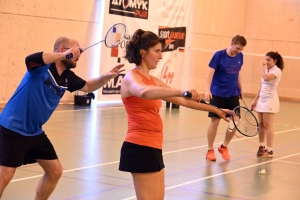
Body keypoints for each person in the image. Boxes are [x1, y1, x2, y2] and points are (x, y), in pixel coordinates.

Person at [0, 36, 124, 199]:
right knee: (5, 174)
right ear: (61, 50)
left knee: (55, 171)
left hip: (34, 132)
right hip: (13, 127)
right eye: (76, 50)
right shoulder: (39, 67)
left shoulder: (67, 77)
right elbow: (30, 58)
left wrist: (106, 77)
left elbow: (88, 86)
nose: (79, 55)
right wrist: (64, 55)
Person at [118, 29, 230, 200]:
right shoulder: (131, 78)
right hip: (140, 147)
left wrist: (216, 110)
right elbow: (143, 92)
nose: (161, 56)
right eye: (156, 51)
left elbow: (184, 101)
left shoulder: (154, 81)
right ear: (142, 52)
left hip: (154, 147)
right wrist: (181, 91)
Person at [204, 35, 247, 161]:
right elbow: (209, 74)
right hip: (217, 93)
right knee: (215, 122)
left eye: (241, 50)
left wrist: (241, 89)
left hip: (233, 94)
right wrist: (207, 90)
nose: (238, 51)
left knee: (235, 121)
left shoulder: (240, 56)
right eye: (237, 48)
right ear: (232, 43)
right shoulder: (219, 55)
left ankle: (224, 146)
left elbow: (237, 74)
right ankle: (210, 150)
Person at [251, 51, 284, 158]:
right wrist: (255, 100)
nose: (266, 62)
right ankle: (261, 147)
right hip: (262, 100)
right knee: (260, 124)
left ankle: (269, 150)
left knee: (268, 125)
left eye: (269, 60)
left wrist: (261, 68)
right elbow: (262, 86)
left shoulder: (277, 71)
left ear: (275, 60)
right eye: (265, 60)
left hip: (270, 100)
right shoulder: (267, 70)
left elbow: (265, 78)